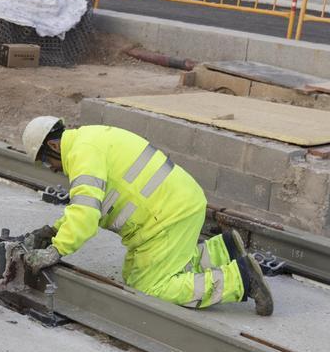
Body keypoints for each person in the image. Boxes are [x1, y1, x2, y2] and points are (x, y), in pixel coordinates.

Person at [18, 117, 273, 316]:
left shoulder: (81, 155)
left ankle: (239, 279)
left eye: (45, 161)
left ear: (53, 146)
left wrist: (56, 250)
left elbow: (85, 213)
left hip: (166, 216)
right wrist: (53, 230)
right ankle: (223, 251)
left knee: (151, 287)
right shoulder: (88, 140)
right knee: (134, 274)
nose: (51, 168)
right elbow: (86, 205)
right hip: (173, 206)